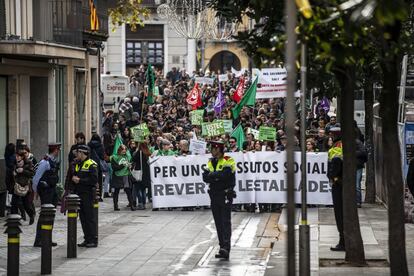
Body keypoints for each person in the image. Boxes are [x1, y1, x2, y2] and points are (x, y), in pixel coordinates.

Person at [202, 140, 236, 260]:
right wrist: (216, 176)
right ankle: (222, 247)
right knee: (218, 222)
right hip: (214, 195)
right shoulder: (210, 162)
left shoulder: (228, 159)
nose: (212, 151)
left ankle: (226, 248)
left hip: (225, 195)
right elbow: (205, 177)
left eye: (214, 149)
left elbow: (225, 175)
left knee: (225, 221)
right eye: (212, 149)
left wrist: (213, 176)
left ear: (219, 149)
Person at [32, 142, 61, 247]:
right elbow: (36, 178)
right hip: (46, 192)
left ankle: (47, 238)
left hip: (52, 191)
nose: (59, 152)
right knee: (44, 215)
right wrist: (35, 192)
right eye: (58, 150)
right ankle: (39, 240)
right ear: (55, 150)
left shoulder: (52, 161)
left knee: (50, 215)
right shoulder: (45, 162)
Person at [72, 145, 99, 248]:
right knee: (83, 218)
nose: (77, 154)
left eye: (78, 152)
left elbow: (94, 180)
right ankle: (87, 238)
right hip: (79, 194)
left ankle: (93, 239)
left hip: (88, 194)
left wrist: (80, 180)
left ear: (83, 153)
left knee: (89, 218)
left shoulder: (92, 164)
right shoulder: (78, 164)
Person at [327, 127, 344, 251]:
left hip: (339, 184)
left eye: (332, 135)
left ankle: (343, 242)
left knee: (339, 214)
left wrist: (333, 176)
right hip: (341, 182)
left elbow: (336, 162)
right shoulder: (339, 145)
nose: (330, 137)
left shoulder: (338, 147)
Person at [10, 148, 35, 224]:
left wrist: (23, 171)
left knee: (26, 204)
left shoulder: (28, 163)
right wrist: (14, 172)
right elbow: (11, 172)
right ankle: (14, 220)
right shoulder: (14, 163)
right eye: (16, 156)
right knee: (14, 203)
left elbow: (32, 173)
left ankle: (31, 215)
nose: (17, 157)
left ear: (22, 157)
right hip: (16, 186)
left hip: (25, 186)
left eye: (18, 156)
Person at [110, 144, 135, 211]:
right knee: (116, 191)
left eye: (125, 149)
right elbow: (114, 168)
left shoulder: (127, 157)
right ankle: (115, 206)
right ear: (119, 150)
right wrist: (123, 165)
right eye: (123, 149)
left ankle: (132, 205)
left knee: (128, 190)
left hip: (126, 175)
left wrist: (130, 166)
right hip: (117, 176)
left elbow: (131, 164)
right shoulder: (114, 157)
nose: (124, 151)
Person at [88, 134, 105, 201]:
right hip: (98, 165)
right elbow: (102, 157)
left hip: (90, 164)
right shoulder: (100, 145)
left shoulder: (89, 145)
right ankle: (99, 195)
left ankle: (92, 195)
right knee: (99, 181)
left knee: (91, 179)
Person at [355, 137, 367, 207]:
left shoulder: (358, 142)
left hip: (357, 166)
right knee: (356, 185)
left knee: (357, 185)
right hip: (356, 165)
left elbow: (363, 153)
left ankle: (358, 202)